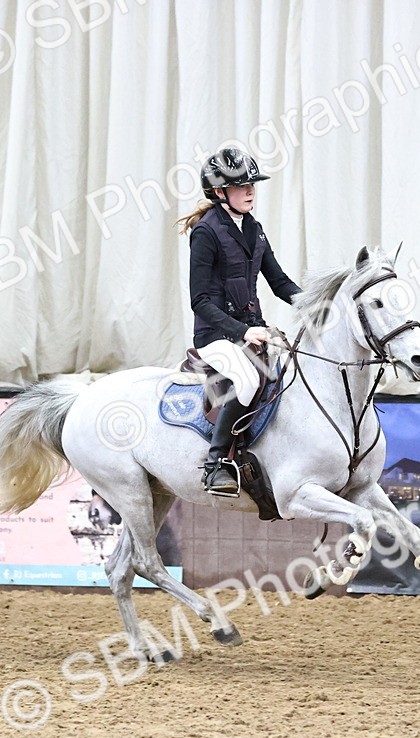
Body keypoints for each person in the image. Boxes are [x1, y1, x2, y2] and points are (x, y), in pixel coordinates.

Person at [176, 147, 302, 494]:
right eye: (241, 186)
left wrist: (313, 303)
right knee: (247, 380)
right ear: (219, 192)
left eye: (252, 185)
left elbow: (278, 281)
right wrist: (243, 330)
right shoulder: (206, 232)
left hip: (250, 330)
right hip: (216, 335)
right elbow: (199, 301)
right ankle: (215, 463)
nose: (250, 191)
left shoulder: (253, 228)